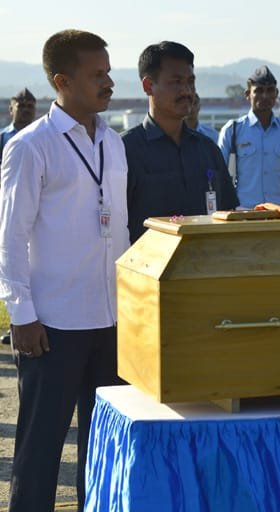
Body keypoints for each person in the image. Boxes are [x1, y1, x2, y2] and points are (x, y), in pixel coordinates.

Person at [0, 29, 128, 511]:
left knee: (104, 449)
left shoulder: (112, 144)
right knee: (40, 451)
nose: (109, 82)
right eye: (97, 74)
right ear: (62, 80)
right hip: (52, 324)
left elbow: (120, 230)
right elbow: (10, 237)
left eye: (108, 72)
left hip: (110, 320)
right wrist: (22, 315)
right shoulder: (31, 147)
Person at [123, 41, 238, 243]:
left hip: (205, 268)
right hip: (147, 270)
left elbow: (226, 213)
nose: (186, 91)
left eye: (190, 82)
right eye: (176, 82)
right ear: (148, 86)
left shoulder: (208, 149)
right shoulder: (124, 150)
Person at [218, 65, 280, 208]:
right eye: (259, 91)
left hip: (279, 212)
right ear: (247, 94)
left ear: (276, 94)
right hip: (244, 213)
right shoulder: (232, 130)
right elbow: (219, 178)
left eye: (270, 91)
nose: (265, 96)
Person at [0, 88, 37, 165]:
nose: (26, 109)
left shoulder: (41, 136)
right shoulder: (3, 137)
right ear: (11, 109)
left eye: (30, 106)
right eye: (21, 106)